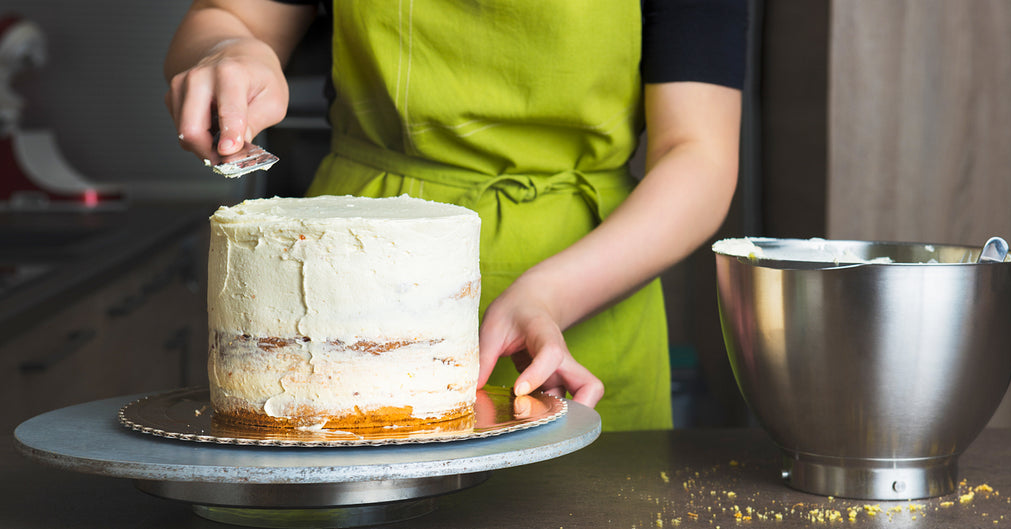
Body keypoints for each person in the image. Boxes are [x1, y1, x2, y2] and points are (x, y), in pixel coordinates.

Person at [165, 0, 746, 431]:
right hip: (346, 274)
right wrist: (227, 49)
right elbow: (228, 16)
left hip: (588, 288)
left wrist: (550, 295)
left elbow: (699, 156)